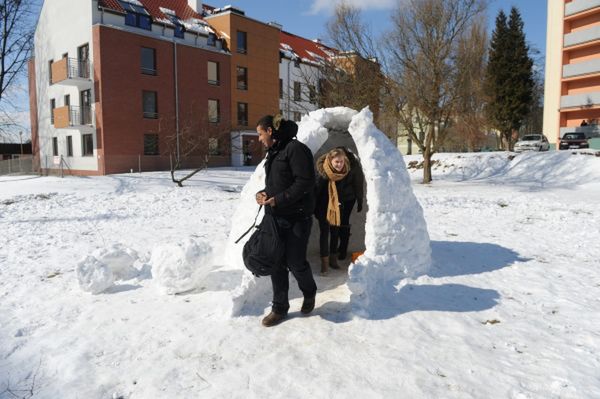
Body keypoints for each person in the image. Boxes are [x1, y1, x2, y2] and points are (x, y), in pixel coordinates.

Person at [255, 114, 317, 327]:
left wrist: (278, 199)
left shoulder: (295, 149)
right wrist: (262, 194)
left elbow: (305, 182)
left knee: (295, 262)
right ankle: (279, 308)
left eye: (260, 133)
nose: (259, 138)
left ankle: (309, 293)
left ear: (270, 131)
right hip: (275, 217)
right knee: (276, 263)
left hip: (297, 217)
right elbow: (276, 184)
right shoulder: (273, 152)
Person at [314, 147, 364, 275]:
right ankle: (324, 264)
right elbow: (315, 193)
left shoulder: (344, 172)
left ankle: (333, 260)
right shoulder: (323, 173)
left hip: (337, 207)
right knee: (325, 234)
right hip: (323, 209)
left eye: (341, 161)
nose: (339, 164)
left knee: (335, 232)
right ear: (330, 161)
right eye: (336, 162)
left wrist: (355, 200)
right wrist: (314, 209)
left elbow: (351, 186)